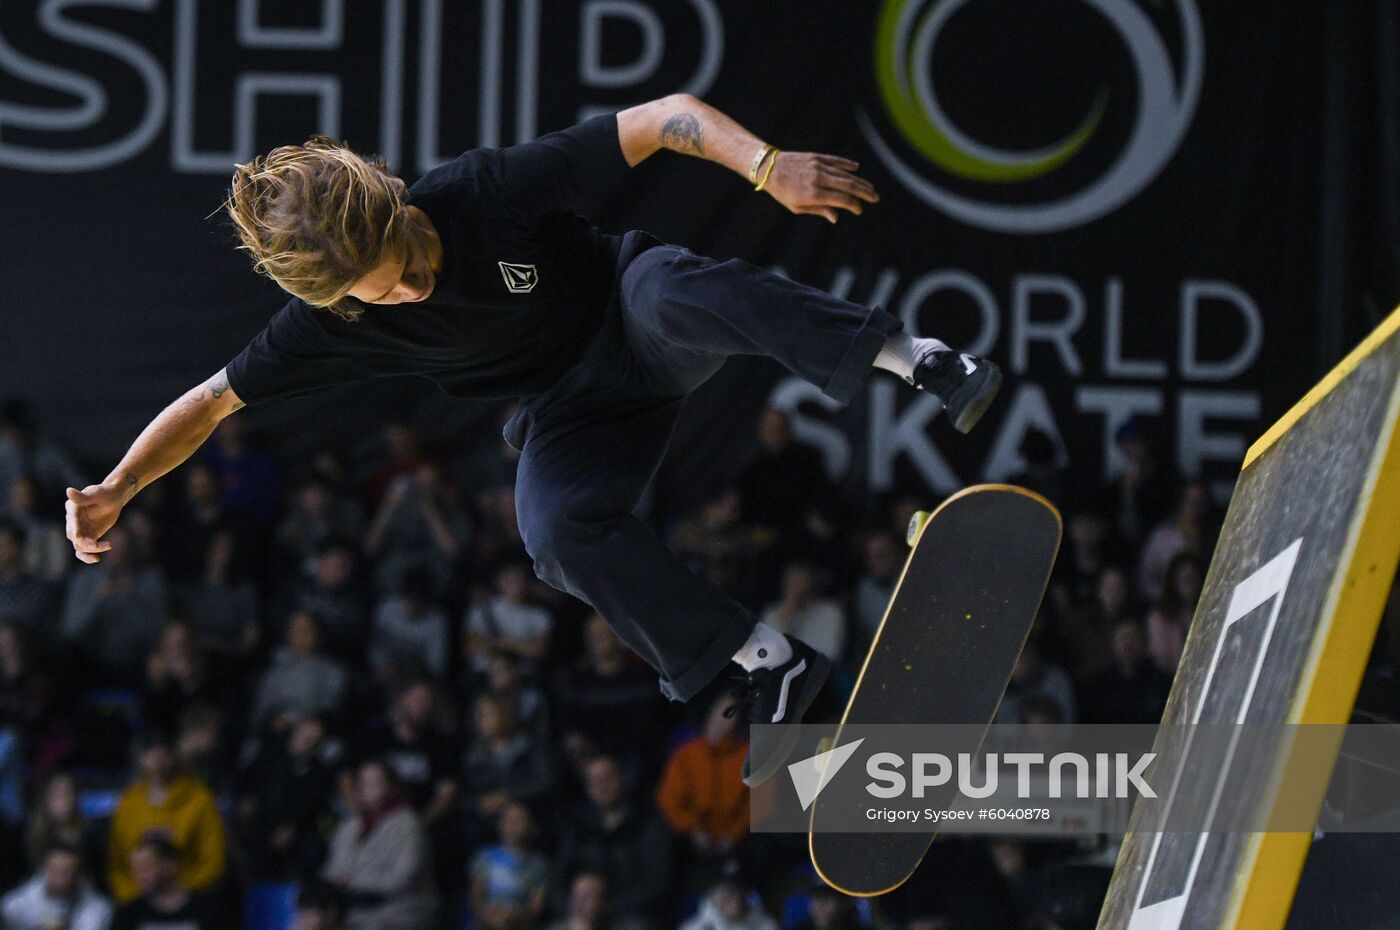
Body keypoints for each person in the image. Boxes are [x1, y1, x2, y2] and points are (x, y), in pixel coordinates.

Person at [62, 95, 1001, 786]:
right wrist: (118, 487)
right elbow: (214, 400)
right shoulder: (336, 321)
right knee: (552, 529)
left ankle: (920, 359)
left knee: (678, 289)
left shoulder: (480, 193)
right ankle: (769, 665)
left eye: (406, 267)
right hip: (574, 410)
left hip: (632, 315)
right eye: (380, 295)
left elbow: (663, 118)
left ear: (397, 206)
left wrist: (765, 167)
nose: (407, 291)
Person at [106, 730, 227, 902]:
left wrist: (179, 894)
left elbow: (213, 861)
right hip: (137, 903)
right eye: (150, 751)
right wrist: (133, 896)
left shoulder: (200, 799)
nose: (157, 757)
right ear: (139, 758)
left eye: (163, 751)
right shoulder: (129, 802)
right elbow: (117, 864)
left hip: (191, 902)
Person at [555, 754, 673, 924]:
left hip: (631, 915)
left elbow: (658, 885)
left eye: (607, 778)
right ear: (588, 788)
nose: (601, 786)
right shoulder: (578, 828)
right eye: (594, 781)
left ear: (622, 779)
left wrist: (607, 907)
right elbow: (557, 881)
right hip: (580, 915)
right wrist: (578, 907)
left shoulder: (648, 825)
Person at [322, 759, 437, 930]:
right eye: (362, 783)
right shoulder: (349, 825)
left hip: (401, 908)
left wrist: (350, 883)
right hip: (353, 907)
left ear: (392, 786)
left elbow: (404, 876)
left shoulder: (409, 824)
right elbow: (332, 869)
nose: (367, 788)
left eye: (374, 782)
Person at [656, 693, 749, 867]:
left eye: (732, 714)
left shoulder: (749, 755)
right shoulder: (686, 755)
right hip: (693, 836)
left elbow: (758, 804)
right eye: (722, 712)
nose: (724, 720)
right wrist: (693, 829)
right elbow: (669, 800)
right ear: (710, 714)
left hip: (739, 839)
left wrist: (733, 834)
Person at [110, 835, 228, 930]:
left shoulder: (208, 908)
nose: (139, 876)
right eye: (135, 870)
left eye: (145, 867)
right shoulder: (129, 914)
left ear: (171, 865)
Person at [467, 801, 549, 930]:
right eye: (508, 820)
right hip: (487, 921)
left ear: (530, 826)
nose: (513, 825)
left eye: (519, 820)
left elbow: (536, 905)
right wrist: (488, 916)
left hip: (519, 921)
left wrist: (517, 916)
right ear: (500, 825)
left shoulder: (537, 864)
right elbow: (476, 897)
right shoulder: (485, 856)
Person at [1, 843, 113, 930]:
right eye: (54, 870)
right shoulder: (15, 907)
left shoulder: (98, 909)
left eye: (65, 871)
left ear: (78, 875)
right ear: (44, 870)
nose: (59, 877)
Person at [678, 874, 779, 930]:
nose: (730, 897)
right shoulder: (694, 927)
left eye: (734, 890)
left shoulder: (766, 925)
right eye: (724, 891)